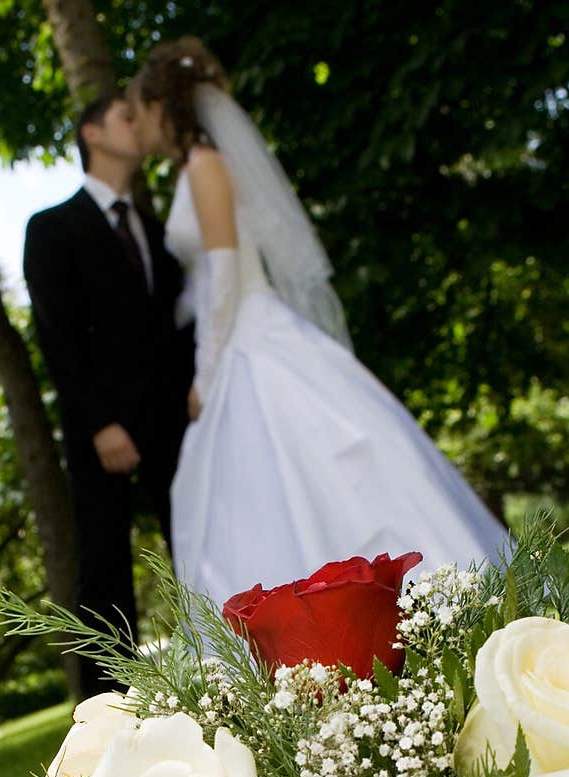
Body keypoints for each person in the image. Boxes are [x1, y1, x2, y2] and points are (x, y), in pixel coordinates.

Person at [127, 39, 509, 610]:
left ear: (163, 106)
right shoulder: (193, 171)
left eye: (140, 111)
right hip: (241, 338)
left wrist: (205, 378)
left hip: (247, 342)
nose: (139, 128)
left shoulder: (206, 165)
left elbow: (226, 274)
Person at [23, 93, 192, 696]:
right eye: (125, 115)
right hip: (103, 428)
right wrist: (99, 424)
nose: (137, 123)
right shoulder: (51, 228)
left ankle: (224, 679)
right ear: (92, 133)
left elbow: (174, 325)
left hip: (173, 421)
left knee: (194, 543)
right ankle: (107, 708)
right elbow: (58, 337)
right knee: (103, 569)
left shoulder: (153, 228)